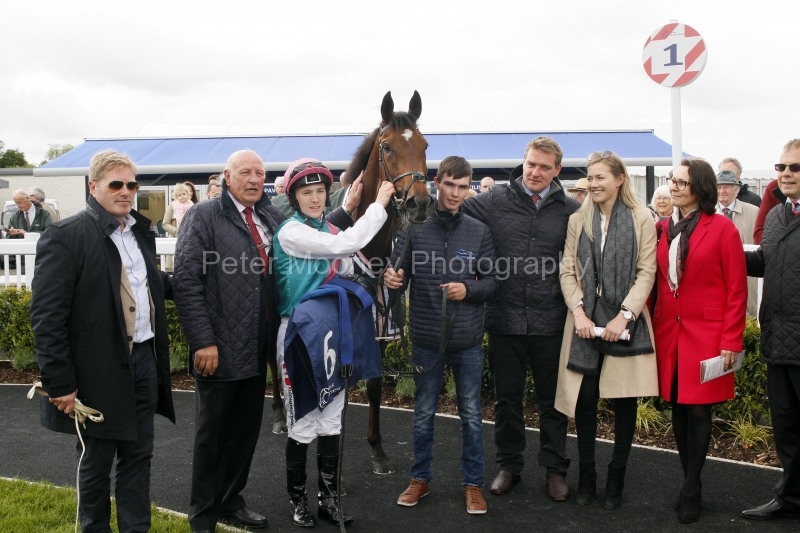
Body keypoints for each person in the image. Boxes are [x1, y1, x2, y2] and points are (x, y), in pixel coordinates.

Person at [29, 150, 175, 532]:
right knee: (96, 463)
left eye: (132, 184)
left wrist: (198, 282)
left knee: (139, 456)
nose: (126, 191)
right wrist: (59, 382)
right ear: (93, 187)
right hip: (96, 371)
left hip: (144, 363)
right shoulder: (65, 236)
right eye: (116, 184)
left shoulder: (139, 232)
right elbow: (47, 317)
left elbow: (148, 283)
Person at [273, 158, 394, 527]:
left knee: (331, 421)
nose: (314, 198)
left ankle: (328, 499)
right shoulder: (291, 232)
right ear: (294, 199)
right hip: (297, 335)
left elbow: (352, 267)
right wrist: (379, 204)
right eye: (306, 193)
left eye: (320, 191)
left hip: (331, 334)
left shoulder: (327, 228)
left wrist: (384, 274)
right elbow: (346, 243)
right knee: (302, 422)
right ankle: (298, 500)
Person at [461, 136, 580, 501]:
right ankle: (510, 466)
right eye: (531, 164)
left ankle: (555, 470)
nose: (535, 172)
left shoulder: (571, 209)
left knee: (552, 402)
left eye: (544, 167)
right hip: (504, 318)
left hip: (551, 321)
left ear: (557, 170)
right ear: (523, 162)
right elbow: (451, 213)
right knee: (507, 400)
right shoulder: (494, 199)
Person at [173, 150, 284, 532]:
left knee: (244, 432)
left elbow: (312, 238)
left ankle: (230, 499)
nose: (254, 179)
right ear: (227, 176)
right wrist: (203, 340)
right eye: (245, 172)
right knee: (213, 436)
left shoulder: (271, 217)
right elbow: (186, 282)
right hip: (219, 347)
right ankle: (203, 515)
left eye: (260, 173)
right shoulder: (203, 216)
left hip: (258, 346)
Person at [385, 156, 499, 515]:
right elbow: (396, 273)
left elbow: (493, 282)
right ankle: (420, 478)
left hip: (467, 341)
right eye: (450, 184)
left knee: (472, 415)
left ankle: (473, 484)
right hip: (425, 339)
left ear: (469, 188)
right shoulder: (414, 226)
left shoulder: (478, 231)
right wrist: (391, 278)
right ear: (437, 182)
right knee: (423, 413)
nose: (455, 193)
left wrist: (468, 289)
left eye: (463, 187)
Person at [555, 151, 658, 510]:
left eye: (601, 177)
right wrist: (579, 313)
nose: (594, 183)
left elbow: (647, 271)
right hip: (583, 320)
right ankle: (587, 476)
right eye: (590, 177)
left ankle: (617, 478)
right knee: (585, 399)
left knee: (624, 399)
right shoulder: (578, 219)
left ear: (619, 179)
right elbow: (568, 269)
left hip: (626, 320)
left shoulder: (642, 217)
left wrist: (624, 316)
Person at [653, 158, 746, 524]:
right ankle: (689, 480)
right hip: (670, 333)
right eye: (672, 180)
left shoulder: (723, 229)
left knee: (698, 410)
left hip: (707, 334)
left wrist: (731, 340)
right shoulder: (664, 227)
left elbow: (736, 288)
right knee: (677, 407)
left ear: (700, 188)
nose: (673, 187)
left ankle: (692, 488)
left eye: (682, 183)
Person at [741, 139, 800, 522]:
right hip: (778, 341)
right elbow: (766, 260)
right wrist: (725, 252)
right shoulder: (778, 216)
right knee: (787, 429)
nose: (785, 174)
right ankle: (790, 498)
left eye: (794, 167)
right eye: (781, 167)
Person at [715, 170, 759, 317]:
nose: (721, 191)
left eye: (726, 187)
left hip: (747, 274)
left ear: (736, 190)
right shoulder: (707, 212)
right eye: (718, 187)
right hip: (717, 275)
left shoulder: (753, 212)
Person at [754, 179, 784, 244]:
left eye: (796, 173)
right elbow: (759, 234)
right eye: (781, 168)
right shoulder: (775, 187)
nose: (786, 174)